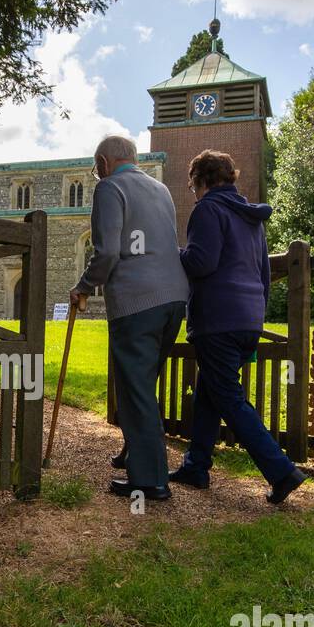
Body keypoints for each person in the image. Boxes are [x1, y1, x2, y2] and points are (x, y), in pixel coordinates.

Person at [172, 150, 309, 504]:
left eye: (192, 186)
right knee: (209, 392)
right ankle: (196, 465)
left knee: (229, 398)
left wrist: (174, 253)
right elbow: (264, 274)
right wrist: (255, 316)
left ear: (203, 180)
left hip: (217, 318)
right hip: (247, 318)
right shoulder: (251, 219)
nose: (193, 193)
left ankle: (281, 470)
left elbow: (201, 262)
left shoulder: (208, 209)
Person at [71, 135, 188, 501]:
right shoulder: (162, 190)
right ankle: (136, 454)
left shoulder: (109, 188)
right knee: (143, 387)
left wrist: (84, 287)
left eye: (96, 168)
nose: (97, 174)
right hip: (174, 300)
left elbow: (107, 253)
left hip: (137, 302)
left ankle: (150, 482)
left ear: (103, 163)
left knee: (135, 392)